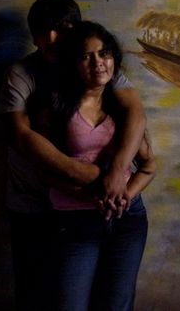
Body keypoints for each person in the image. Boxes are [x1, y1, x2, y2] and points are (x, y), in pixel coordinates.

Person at [0, 0, 147, 311]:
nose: (53, 38)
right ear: (34, 35)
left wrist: (119, 172)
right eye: (44, 30)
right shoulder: (23, 74)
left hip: (92, 208)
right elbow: (21, 136)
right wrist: (96, 177)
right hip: (33, 205)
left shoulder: (97, 68)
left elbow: (135, 111)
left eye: (62, 28)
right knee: (37, 296)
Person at [50, 21, 156, 311]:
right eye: (87, 56)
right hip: (76, 222)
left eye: (104, 53)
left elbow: (148, 166)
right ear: (73, 63)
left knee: (117, 306)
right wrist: (97, 193)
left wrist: (123, 195)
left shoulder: (122, 109)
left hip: (127, 220)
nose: (98, 62)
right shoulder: (56, 106)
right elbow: (47, 170)